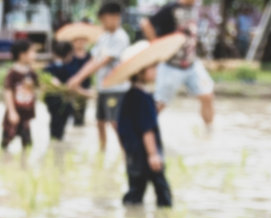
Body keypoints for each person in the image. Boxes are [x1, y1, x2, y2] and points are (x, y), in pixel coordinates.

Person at [112, 38, 180, 207]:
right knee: (163, 192)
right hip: (146, 156)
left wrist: (125, 152)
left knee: (135, 192)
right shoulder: (143, 98)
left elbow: (119, 125)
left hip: (133, 155)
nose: (157, 71)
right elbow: (147, 129)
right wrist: (153, 154)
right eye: (154, 67)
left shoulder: (129, 96)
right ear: (141, 71)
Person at [65, 2, 131, 153]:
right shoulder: (104, 36)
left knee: (115, 123)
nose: (102, 23)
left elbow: (103, 61)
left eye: (104, 19)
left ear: (115, 17)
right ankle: (102, 151)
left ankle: (125, 153)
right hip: (103, 87)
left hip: (116, 88)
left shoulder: (121, 37)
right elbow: (93, 59)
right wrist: (77, 77)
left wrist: (79, 79)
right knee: (100, 122)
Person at [141, 0, 214, 127]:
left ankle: (208, 132)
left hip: (192, 64)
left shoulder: (194, 8)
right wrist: (157, 45)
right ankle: (143, 131)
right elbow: (146, 24)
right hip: (171, 65)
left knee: (207, 95)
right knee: (159, 104)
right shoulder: (171, 8)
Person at [43, 40, 88, 142]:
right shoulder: (69, 68)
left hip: (52, 100)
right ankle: (58, 139)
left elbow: (44, 80)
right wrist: (85, 93)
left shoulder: (49, 67)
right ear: (68, 54)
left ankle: (54, 139)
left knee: (54, 121)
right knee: (61, 122)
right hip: (64, 100)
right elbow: (72, 85)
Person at [2, 39, 41, 153]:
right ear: (22, 55)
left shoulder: (32, 73)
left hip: (26, 113)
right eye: (32, 51)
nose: (35, 54)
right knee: (6, 141)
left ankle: (24, 167)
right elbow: (8, 91)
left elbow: (40, 86)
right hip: (14, 112)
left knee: (27, 144)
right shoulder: (13, 73)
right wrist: (11, 111)